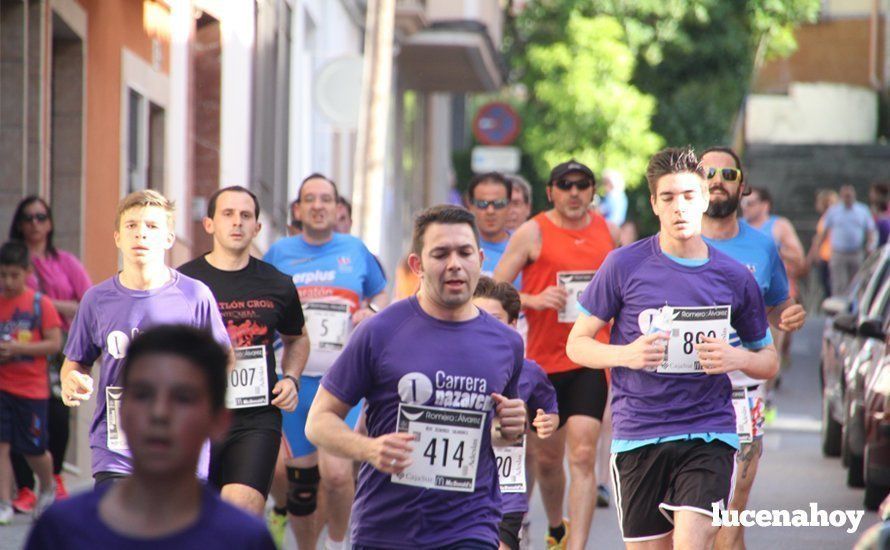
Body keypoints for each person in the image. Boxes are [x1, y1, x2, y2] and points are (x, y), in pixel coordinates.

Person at [566, 147, 777, 550]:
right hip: (639, 435)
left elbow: (768, 360)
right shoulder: (623, 265)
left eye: (687, 196)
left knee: (692, 543)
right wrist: (626, 354)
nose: (679, 207)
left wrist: (739, 359)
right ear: (653, 204)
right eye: (668, 198)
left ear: (703, 199)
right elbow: (577, 344)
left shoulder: (733, 276)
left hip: (710, 434)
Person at [305, 204, 528, 549]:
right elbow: (318, 421)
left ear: (480, 259)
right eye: (440, 253)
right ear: (417, 265)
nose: (454, 263)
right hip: (387, 528)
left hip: (470, 526)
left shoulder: (508, 343)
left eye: (464, 252)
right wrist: (368, 448)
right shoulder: (380, 332)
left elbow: (499, 432)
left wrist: (511, 425)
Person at [26, 325, 276, 549]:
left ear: (219, 420)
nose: (159, 413)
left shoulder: (244, 538)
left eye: (182, 398)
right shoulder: (61, 530)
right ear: (121, 410)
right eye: (143, 394)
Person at [59, 190, 230, 486]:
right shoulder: (96, 300)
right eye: (131, 226)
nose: (141, 234)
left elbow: (223, 360)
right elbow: (75, 362)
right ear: (117, 237)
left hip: (180, 447)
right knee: (117, 531)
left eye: (151, 226)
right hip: (116, 452)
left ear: (168, 238)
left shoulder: (194, 296)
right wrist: (71, 381)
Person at [263, 173, 388, 550]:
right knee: (301, 484)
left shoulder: (355, 249)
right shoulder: (279, 254)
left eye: (326, 199)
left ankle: (337, 543)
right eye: (310, 199)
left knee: (335, 474)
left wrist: (372, 311)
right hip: (296, 382)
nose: (318, 206)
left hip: (343, 383)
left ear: (337, 208)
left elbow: (381, 298)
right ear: (298, 209)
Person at [495, 159, 614, 550]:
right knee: (547, 459)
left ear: (593, 191)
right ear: (551, 192)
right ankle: (556, 528)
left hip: (590, 361)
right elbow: (493, 289)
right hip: (543, 365)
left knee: (582, 453)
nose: (575, 192)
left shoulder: (608, 233)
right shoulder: (533, 231)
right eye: (566, 185)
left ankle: (575, 546)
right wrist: (534, 298)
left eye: (583, 185)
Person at [178, 186, 309, 517]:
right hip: (197, 417)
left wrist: (291, 378)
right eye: (228, 214)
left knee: (241, 510)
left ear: (257, 228)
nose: (237, 222)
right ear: (209, 224)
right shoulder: (183, 282)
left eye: (246, 216)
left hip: (255, 418)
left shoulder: (278, 283)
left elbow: (298, 338)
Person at [699, 147, 807, 550]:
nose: (717, 181)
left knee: (733, 508)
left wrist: (787, 315)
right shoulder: (676, 241)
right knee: (693, 516)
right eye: (707, 172)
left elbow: (779, 303)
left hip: (743, 385)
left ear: (741, 187)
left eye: (727, 174)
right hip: (682, 389)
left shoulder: (761, 247)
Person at [7, 196, 92, 510]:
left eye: (41, 217)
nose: (35, 224)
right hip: (18, 350)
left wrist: (41, 304)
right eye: (28, 218)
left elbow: (86, 301)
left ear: (51, 223)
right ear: (19, 223)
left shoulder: (65, 262)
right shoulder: (11, 260)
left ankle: (54, 476)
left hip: (58, 347)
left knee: (58, 411)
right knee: (15, 412)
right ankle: (25, 488)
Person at [472, 276, 558, 550]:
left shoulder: (529, 370)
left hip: (506, 494)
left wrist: (547, 423)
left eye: (495, 319)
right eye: (477, 316)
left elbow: (551, 409)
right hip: (458, 491)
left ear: (512, 325)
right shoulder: (450, 364)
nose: (484, 326)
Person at [0, 241, 62, 523]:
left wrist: (18, 349)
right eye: (2, 275)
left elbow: (53, 344)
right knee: (1, 445)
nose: (8, 281)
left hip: (32, 391)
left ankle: (47, 486)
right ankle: (3, 502)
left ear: (26, 272)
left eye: (14, 275)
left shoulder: (41, 304)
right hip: (3, 387)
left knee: (32, 448)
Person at [808, 184, 878, 296]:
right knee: (838, 283)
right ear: (841, 197)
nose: (848, 198)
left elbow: (870, 230)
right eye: (845, 196)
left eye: (850, 195)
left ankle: (855, 308)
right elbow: (823, 232)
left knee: (856, 283)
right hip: (838, 253)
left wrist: (871, 246)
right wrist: (817, 249)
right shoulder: (834, 211)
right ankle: (838, 309)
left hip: (855, 252)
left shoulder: (862, 210)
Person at [466, 173, 519, 286]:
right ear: (470, 206)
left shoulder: (525, 247)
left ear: (509, 205)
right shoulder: (456, 248)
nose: (490, 211)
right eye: (482, 204)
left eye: (498, 204)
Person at [808, 189, 839, 300]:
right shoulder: (826, 218)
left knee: (829, 285)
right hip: (825, 255)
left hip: (829, 256)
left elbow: (820, 237)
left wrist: (813, 253)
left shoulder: (830, 218)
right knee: (826, 285)